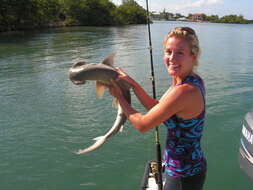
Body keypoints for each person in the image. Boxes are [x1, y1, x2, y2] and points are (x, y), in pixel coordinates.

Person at [109, 27, 206, 190]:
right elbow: (158, 109)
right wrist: (133, 84)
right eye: (168, 52)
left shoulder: (184, 91)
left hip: (183, 175)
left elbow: (143, 124)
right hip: (185, 166)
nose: (172, 58)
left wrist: (119, 97)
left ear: (193, 55)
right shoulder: (189, 80)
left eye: (180, 53)